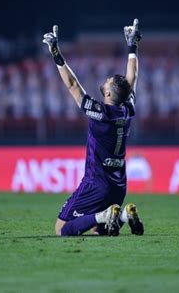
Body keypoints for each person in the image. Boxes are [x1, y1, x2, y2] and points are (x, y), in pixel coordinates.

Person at [42, 19, 144, 236]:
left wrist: (56, 55)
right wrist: (132, 48)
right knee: (100, 231)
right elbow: (132, 79)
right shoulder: (127, 110)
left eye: (108, 81)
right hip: (119, 186)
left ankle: (105, 214)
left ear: (107, 93)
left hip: (96, 184)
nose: (105, 80)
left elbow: (72, 85)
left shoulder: (100, 113)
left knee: (62, 229)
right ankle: (124, 214)